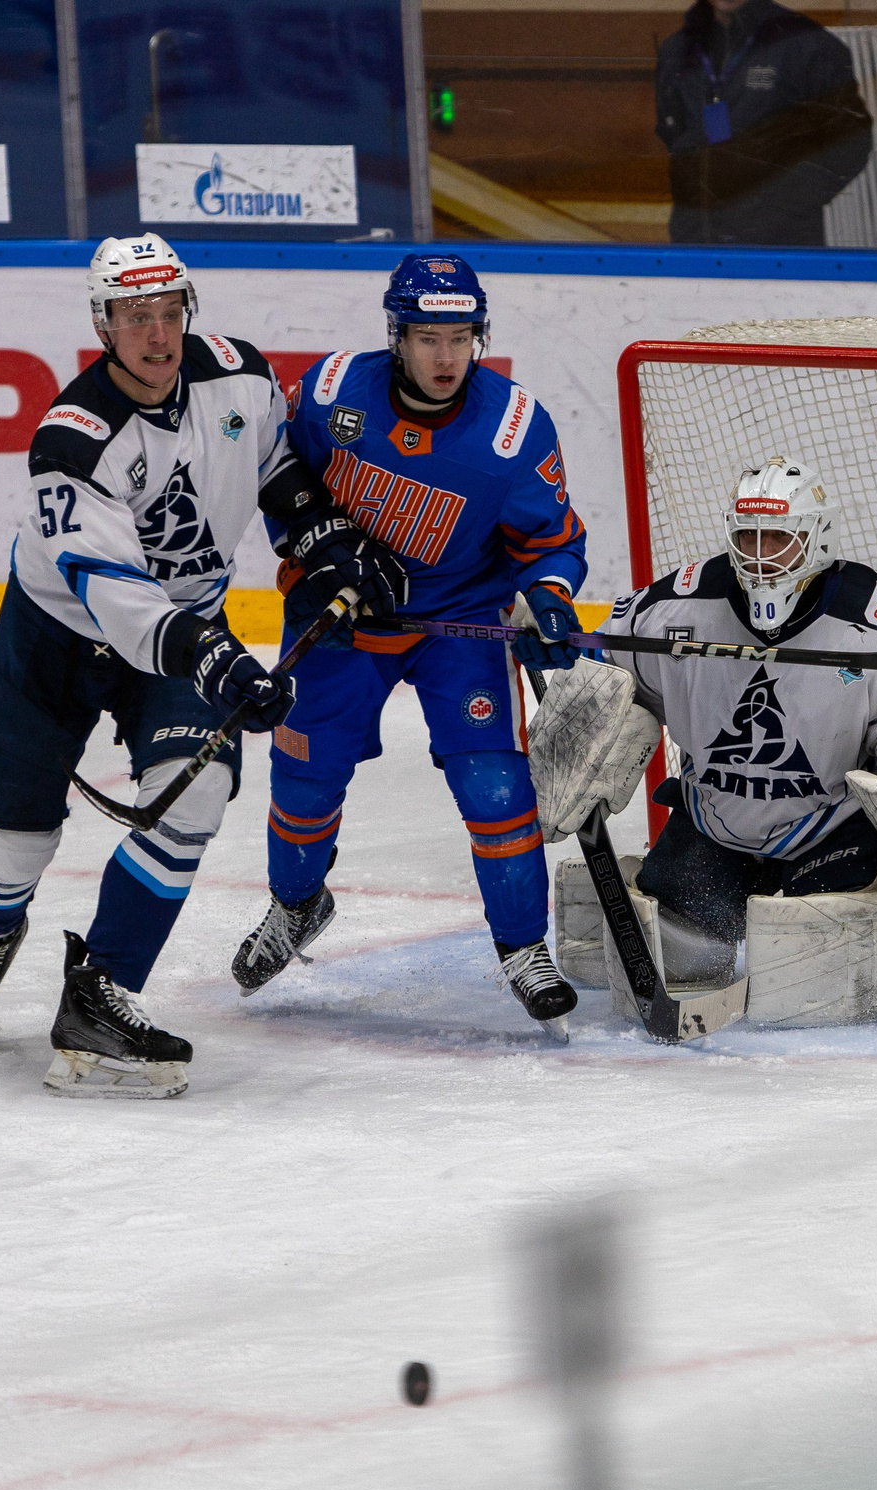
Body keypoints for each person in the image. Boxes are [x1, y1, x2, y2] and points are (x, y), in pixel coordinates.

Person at [0, 233, 382, 1098]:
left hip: (182, 639)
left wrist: (324, 541)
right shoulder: (73, 439)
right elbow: (116, 594)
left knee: (198, 790)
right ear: (103, 323)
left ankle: (101, 988)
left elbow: (279, 467)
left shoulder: (240, 378)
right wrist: (218, 658)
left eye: (170, 311)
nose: (158, 333)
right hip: (59, 637)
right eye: (136, 316)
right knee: (10, 849)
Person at [234, 254, 586, 1032]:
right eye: (427, 337)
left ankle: (523, 948)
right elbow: (278, 476)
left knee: (495, 788)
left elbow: (552, 541)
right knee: (304, 777)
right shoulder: (331, 394)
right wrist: (321, 547)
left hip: (458, 622)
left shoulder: (513, 428)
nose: (445, 357)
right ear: (396, 336)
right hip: (342, 620)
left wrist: (550, 595)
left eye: (461, 337)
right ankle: (296, 906)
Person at [534, 455, 877, 990]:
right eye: (748, 539)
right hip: (715, 824)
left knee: (814, 972)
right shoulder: (675, 609)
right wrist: (576, 694)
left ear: (818, 541)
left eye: (779, 539)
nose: (760, 557)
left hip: (831, 830)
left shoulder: (875, 629)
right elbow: (603, 670)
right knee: (683, 963)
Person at [654, 0, 873, 248]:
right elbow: (672, 130)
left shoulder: (806, 44)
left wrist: (782, 205)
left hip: (779, 243)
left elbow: (851, 141)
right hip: (696, 236)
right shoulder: (678, 49)